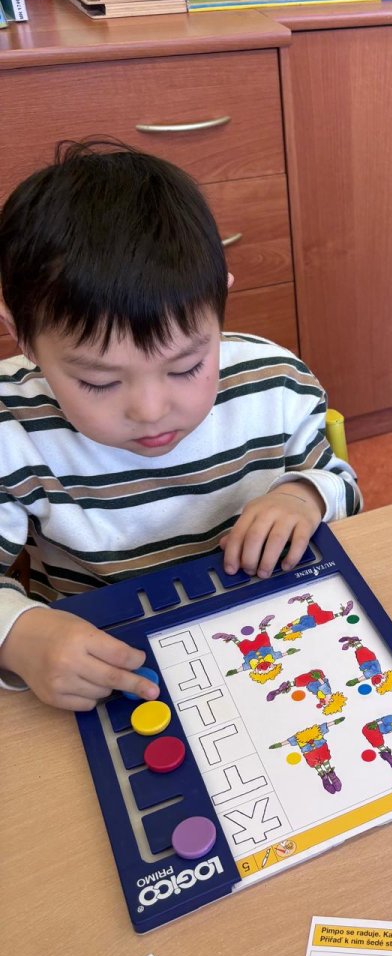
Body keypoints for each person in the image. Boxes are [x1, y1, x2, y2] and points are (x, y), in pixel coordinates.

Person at [0, 141, 361, 710]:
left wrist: (304, 496)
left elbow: (342, 486)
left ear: (219, 308)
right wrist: (16, 634)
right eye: (98, 381)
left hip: (266, 639)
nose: (150, 410)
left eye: (187, 366)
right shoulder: (11, 425)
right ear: (20, 334)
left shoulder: (274, 384)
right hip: (106, 665)